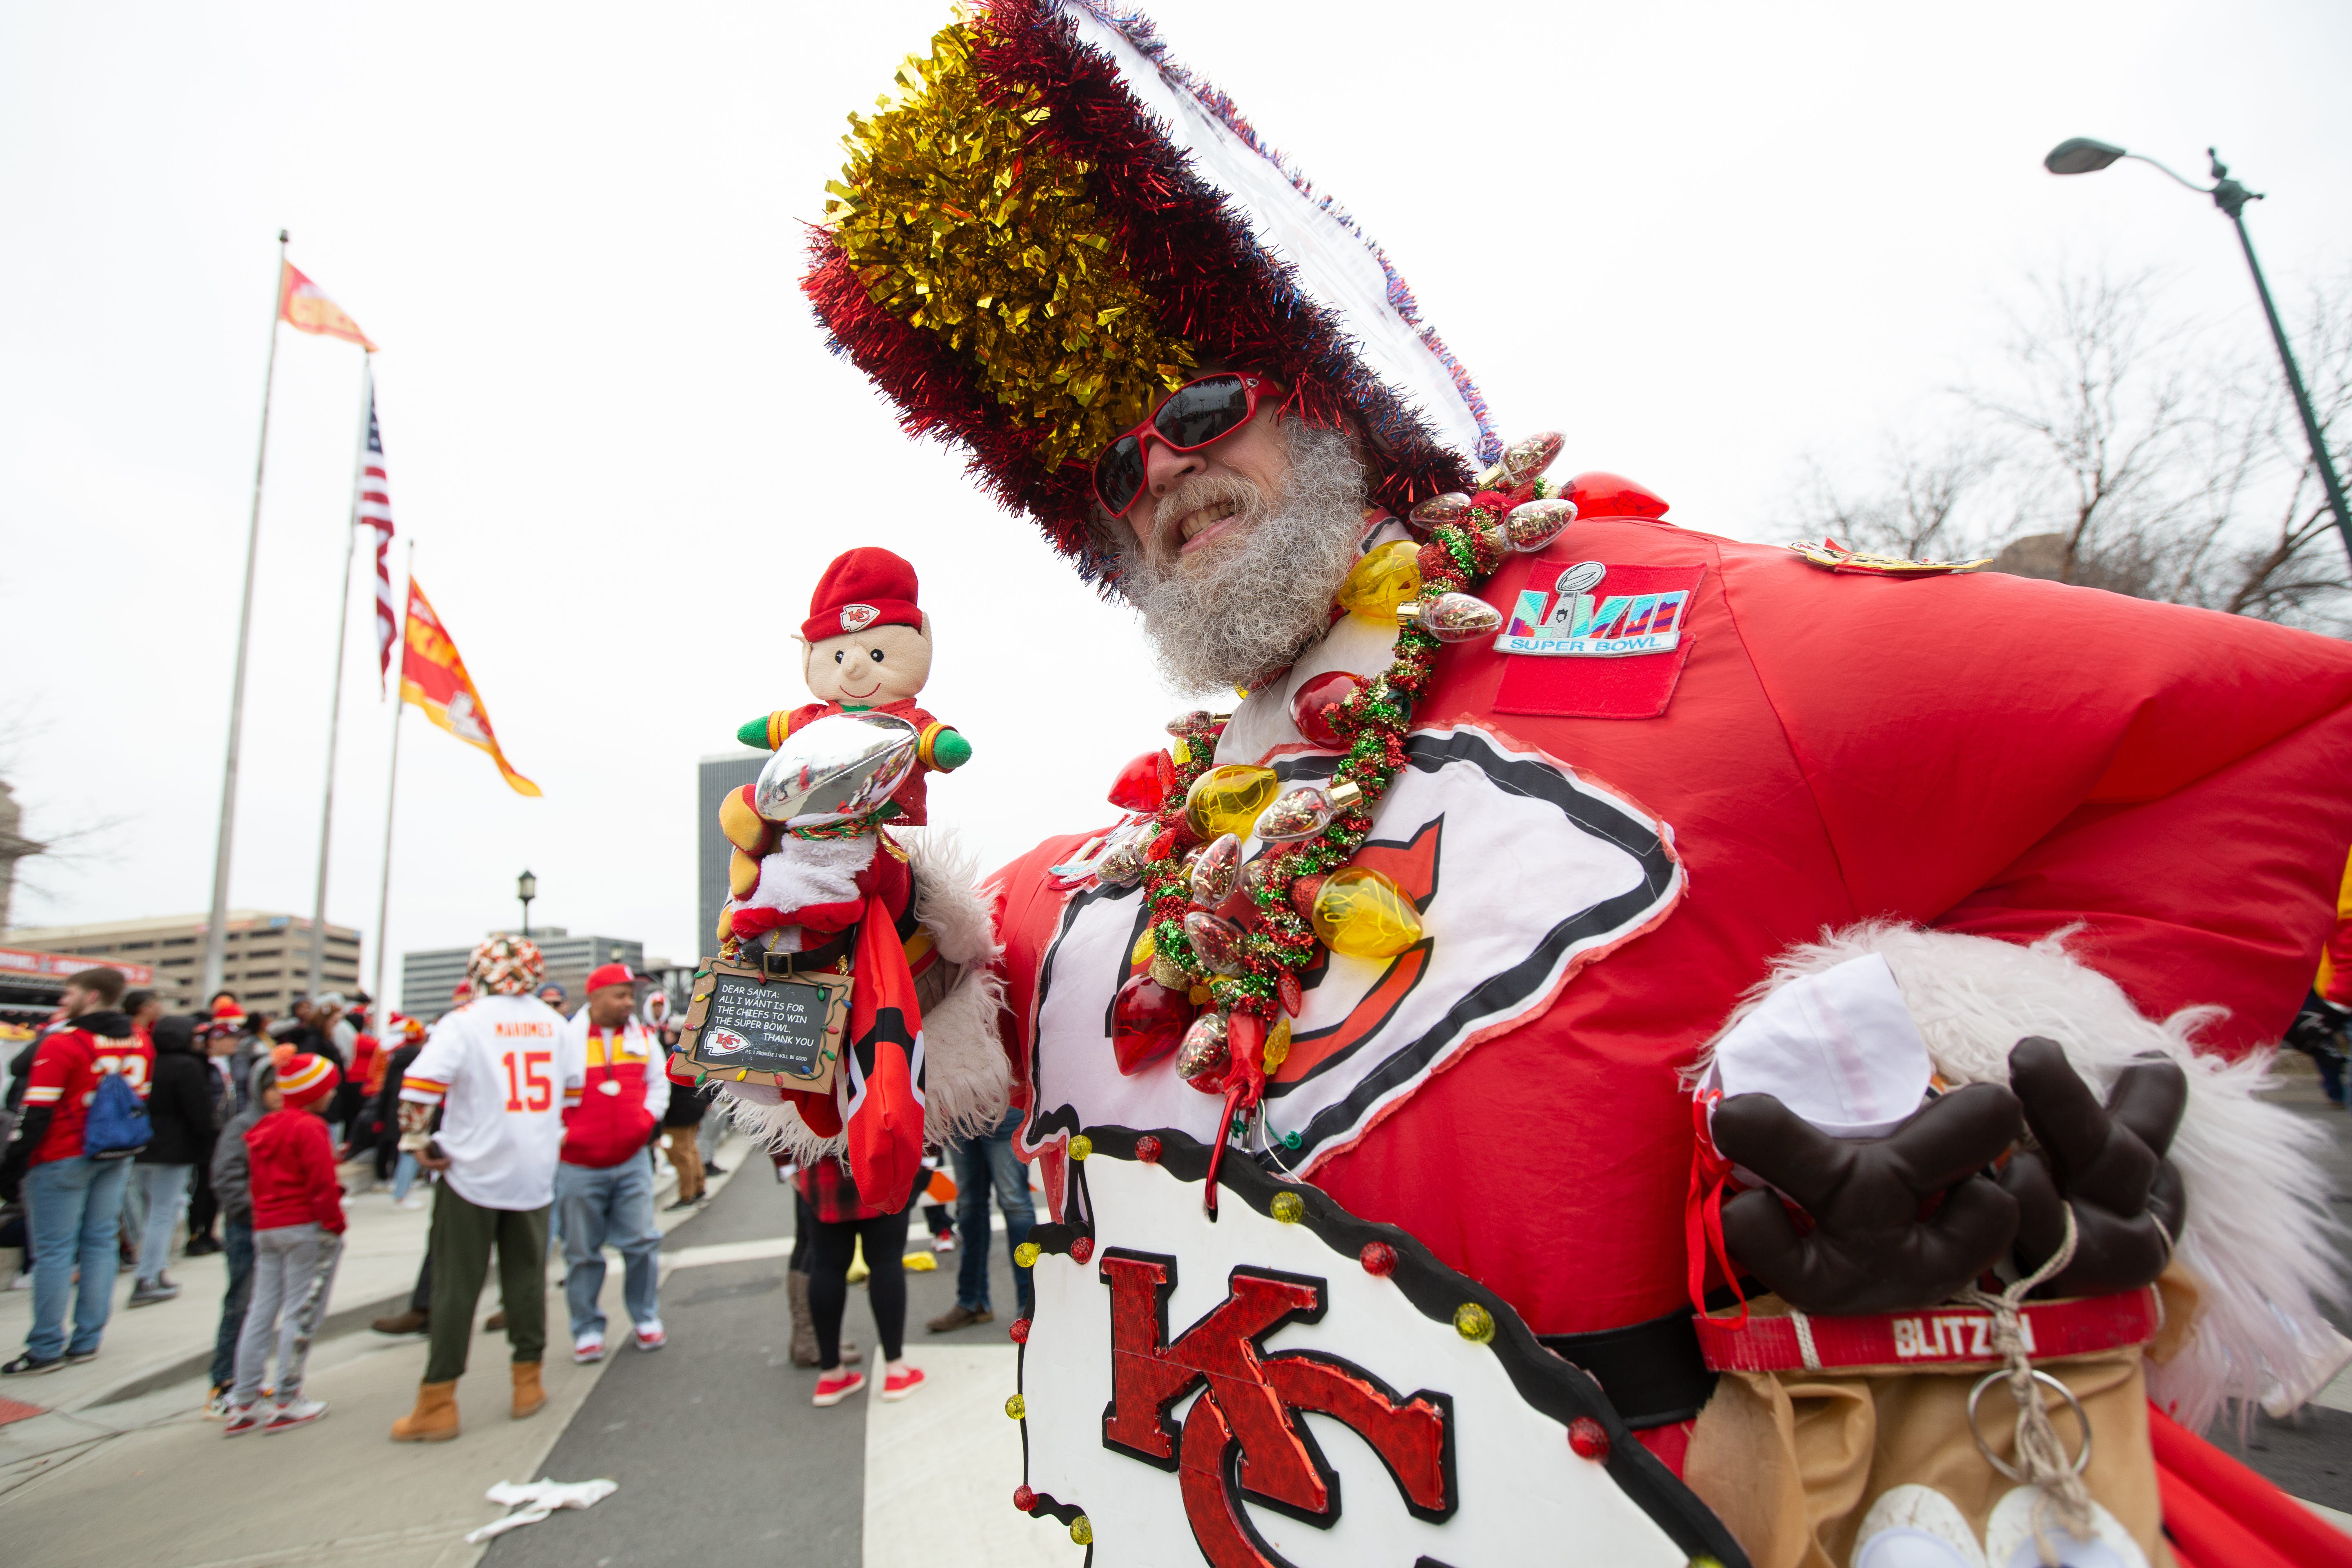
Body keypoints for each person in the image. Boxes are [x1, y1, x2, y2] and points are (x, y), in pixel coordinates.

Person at [804, 9, 2352, 1559]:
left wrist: (1934, 1055)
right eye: (1107, 467)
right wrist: (855, 917)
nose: (1153, 472)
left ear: (1331, 396)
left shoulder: (1665, 625)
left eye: (1201, 410)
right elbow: (906, 983)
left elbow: (2248, 731)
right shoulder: (1149, 834)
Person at [388, 935, 582, 1442]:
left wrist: (416, 1140)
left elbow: (418, 1090)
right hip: (534, 1169)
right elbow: (573, 1094)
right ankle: (527, 1383)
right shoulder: (553, 1023)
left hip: (472, 1168)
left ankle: (439, 1399)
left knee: (457, 1285)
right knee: (526, 1279)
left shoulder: (464, 1022)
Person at [0, 967, 151, 1374]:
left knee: (54, 1252)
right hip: (116, 1154)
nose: (63, 1001)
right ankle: (86, 1340)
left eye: (69, 994)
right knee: (100, 1243)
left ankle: (46, 1346)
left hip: (61, 1155)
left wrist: (11, 1168)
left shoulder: (63, 1042)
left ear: (91, 996)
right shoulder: (140, 1041)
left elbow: (35, 1113)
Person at [224, 1053, 344, 1434]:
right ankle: (288, 1397)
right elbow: (321, 1183)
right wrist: (335, 1223)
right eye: (328, 1088)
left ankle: (244, 1399)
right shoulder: (310, 1128)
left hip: (267, 1227)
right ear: (314, 1093)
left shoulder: (266, 1127)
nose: (333, 1093)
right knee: (300, 1312)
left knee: (261, 1310)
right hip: (304, 1227)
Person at [554, 964, 667, 1362]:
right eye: (620, 995)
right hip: (578, 1165)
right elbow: (547, 1095)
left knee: (640, 1242)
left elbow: (658, 1082)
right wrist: (562, 1137)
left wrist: (646, 1122)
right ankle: (586, 1328)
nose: (628, 1003)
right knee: (582, 1251)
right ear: (596, 996)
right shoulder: (564, 1040)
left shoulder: (641, 1036)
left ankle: (645, 1316)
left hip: (632, 1157)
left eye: (630, 996)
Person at [796, 1151, 921, 1408]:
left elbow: (774, 1115)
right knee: (886, 1262)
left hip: (821, 1166)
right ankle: (896, 1371)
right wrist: (928, 1159)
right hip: (883, 1161)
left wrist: (786, 1167)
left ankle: (831, 1374)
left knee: (826, 1266)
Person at [203, 1054, 276, 1418]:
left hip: (279, 1227)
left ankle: (250, 1379)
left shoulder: (293, 1123)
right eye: (273, 1087)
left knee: (265, 1308)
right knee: (241, 1305)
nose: (280, 1094)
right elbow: (226, 1177)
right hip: (247, 1227)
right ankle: (224, 1383)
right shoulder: (243, 1125)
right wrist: (253, 1208)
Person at [128, 1012, 214, 1306]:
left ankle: (156, 1269)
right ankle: (147, 1277)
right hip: (174, 1150)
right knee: (164, 1213)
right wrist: (209, 1141)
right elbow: (198, 1112)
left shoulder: (147, 1063)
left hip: (140, 1147)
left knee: (148, 1213)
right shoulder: (187, 1067)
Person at [925, 1105, 1033, 1334]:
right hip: (959, 1110)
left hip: (1001, 1103)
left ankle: (1030, 1305)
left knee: (1014, 1204)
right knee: (972, 1206)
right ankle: (973, 1301)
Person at [656, 1070, 707, 1210]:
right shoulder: (685, 1051)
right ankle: (699, 1188)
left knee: (681, 1156)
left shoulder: (669, 1055)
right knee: (690, 1149)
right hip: (695, 1105)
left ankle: (687, 1196)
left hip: (677, 1114)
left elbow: (666, 1091)